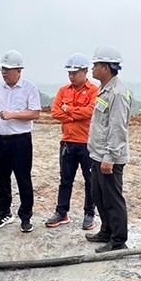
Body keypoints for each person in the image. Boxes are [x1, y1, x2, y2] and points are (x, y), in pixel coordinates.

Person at [0, 50, 41, 233]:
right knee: (1, 178)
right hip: (0, 140)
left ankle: (26, 216)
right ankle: (4, 213)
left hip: (20, 141)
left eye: (8, 69)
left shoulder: (29, 88)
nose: (4, 72)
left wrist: (13, 115)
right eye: (2, 69)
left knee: (23, 178)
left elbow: (35, 113)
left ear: (19, 70)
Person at [83, 46, 132, 253]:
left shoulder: (117, 93)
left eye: (95, 65)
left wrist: (109, 157)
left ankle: (118, 240)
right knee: (98, 195)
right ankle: (107, 231)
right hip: (98, 153)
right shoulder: (104, 89)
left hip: (109, 156)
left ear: (105, 67)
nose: (92, 68)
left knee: (112, 199)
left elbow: (117, 127)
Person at [46, 53, 99, 230]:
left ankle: (89, 214)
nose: (71, 76)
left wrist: (68, 110)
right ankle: (62, 212)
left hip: (87, 143)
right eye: (69, 72)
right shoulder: (63, 91)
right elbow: (55, 112)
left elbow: (91, 111)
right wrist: (75, 115)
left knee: (90, 180)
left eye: (74, 72)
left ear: (85, 71)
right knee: (65, 180)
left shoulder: (94, 91)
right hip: (68, 143)